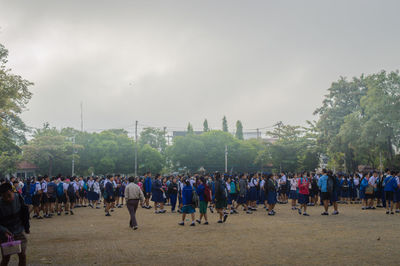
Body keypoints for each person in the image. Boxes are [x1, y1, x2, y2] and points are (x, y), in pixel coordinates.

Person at [0, 183, 30, 266]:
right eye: (4, 197)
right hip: (5, 235)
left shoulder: (19, 197)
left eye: (9, 195)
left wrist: (27, 228)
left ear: (13, 191)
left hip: (19, 232)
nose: (7, 199)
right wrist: (3, 231)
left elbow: (25, 213)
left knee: (22, 255)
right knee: (6, 258)